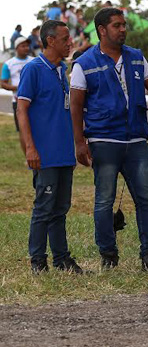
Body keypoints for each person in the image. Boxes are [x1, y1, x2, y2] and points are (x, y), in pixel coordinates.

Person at [70, 8, 148, 274]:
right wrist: (79, 142)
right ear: (102, 30)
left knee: (145, 199)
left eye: (124, 25)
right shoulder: (84, 63)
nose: (123, 30)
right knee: (104, 201)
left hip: (136, 143)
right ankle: (108, 256)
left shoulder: (136, 57)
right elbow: (75, 106)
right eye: (117, 25)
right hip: (103, 142)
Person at [15, 20, 83, 274]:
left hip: (64, 153)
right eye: (65, 39)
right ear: (50, 40)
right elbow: (22, 109)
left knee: (61, 209)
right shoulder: (34, 69)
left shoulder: (61, 69)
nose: (70, 43)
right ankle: (38, 261)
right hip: (45, 155)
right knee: (43, 208)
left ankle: (62, 259)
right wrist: (30, 148)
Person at [1, 37, 33, 131]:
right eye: (23, 46)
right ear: (16, 48)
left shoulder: (34, 61)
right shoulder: (9, 64)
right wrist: (19, 88)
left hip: (34, 101)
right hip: (17, 101)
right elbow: (3, 84)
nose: (26, 48)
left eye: (27, 46)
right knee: (22, 130)